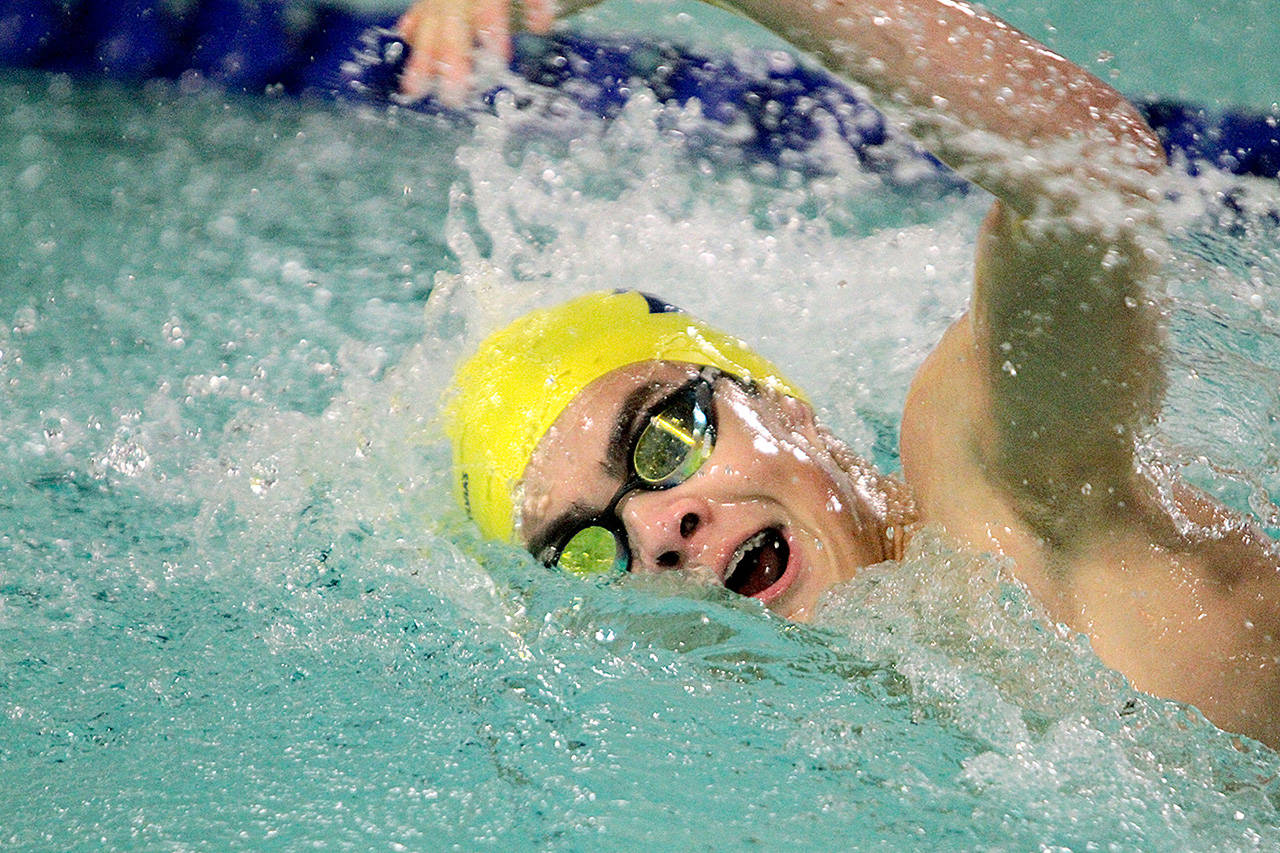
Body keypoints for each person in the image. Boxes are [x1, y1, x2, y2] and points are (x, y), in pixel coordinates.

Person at [399, 0, 1280, 748]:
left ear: (779, 401)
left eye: (664, 439)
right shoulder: (860, 723)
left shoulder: (1000, 498)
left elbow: (1088, 165)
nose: (659, 527)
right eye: (592, 549)